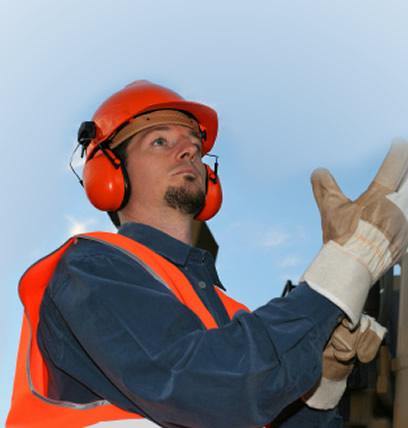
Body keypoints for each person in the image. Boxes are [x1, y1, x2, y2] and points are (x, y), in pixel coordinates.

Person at [7, 80, 407, 428]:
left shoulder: (230, 316)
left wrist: (325, 383)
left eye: (194, 146)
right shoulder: (92, 268)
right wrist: (348, 263)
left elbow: (245, 404)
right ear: (109, 174)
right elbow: (206, 387)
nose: (188, 151)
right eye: (160, 141)